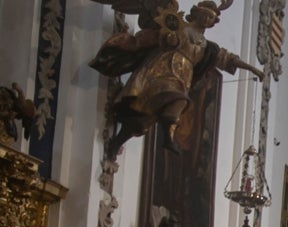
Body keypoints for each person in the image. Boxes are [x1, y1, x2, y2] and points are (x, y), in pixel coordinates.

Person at [90, 1, 264, 157]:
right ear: (197, 13)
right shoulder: (178, 26)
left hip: (182, 78)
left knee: (145, 117)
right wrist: (167, 37)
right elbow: (160, 38)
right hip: (161, 69)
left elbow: (229, 59)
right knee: (179, 99)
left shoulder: (208, 47)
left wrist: (254, 70)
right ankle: (168, 136)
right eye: (206, 15)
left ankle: (118, 142)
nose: (207, 20)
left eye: (211, 18)